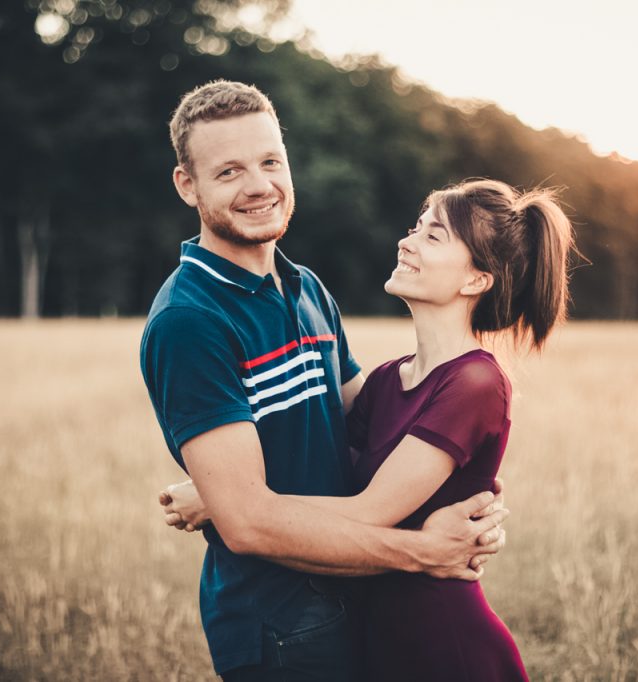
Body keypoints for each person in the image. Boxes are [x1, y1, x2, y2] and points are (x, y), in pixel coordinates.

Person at [140, 80, 508, 682]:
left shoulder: (305, 287)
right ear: (188, 185)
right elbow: (251, 525)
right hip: (281, 626)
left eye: (270, 162)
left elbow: (368, 423)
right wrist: (427, 552)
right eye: (228, 171)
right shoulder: (191, 321)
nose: (259, 185)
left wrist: (466, 488)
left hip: (359, 600)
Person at [164, 178, 576, 680]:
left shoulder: (476, 382)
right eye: (415, 227)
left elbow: (370, 511)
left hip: (441, 644)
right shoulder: (386, 380)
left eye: (434, 236)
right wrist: (224, 487)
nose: (407, 241)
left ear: (475, 281)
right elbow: (328, 465)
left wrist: (220, 503)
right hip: (373, 637)